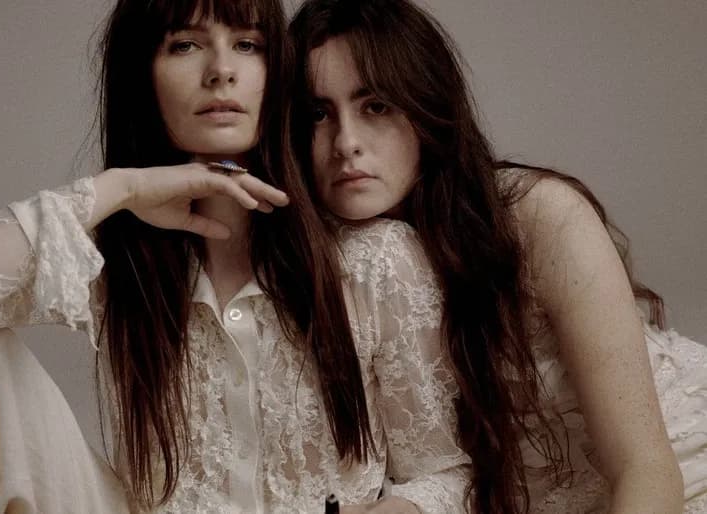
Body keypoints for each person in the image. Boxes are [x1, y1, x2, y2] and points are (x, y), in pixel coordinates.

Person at [0, 0, 472, 512]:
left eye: (247, 45)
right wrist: (121, 189)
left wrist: (399, 510)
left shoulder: (371, 260)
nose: (220, 71)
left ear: (277, 73)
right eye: (185, 45)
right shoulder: (112, 259)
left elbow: (447, 474)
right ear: (145, 76)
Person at [289, 0, 707, 513]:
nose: (346, 143)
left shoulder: (539, 216)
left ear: (424, 108)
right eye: (318, 114)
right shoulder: (340, 259)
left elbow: (645, 467)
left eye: (375, 106)